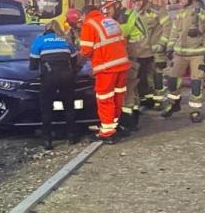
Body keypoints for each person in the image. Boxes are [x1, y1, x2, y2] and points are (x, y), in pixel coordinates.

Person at [159, 0, 205, 123]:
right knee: (172, 80)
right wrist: (170, 47)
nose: (179, 1)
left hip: (198, 53)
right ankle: (173, 104)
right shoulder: (181, 12)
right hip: (180, 54)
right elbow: (175, 31)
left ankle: (195, 110)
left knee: (196, 83)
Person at [79, 9, 130, 143]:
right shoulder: (111, 21)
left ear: (85, 15)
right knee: (117, 96)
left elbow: (86, 50)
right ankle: (114, 125)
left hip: (106, 67)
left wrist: (78, 61)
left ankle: (107, 132)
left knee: (104, 98)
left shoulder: (89, 25)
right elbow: (123, 41)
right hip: (122, 64)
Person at [29, 18, 80, 149]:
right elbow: (75, 62)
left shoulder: (40, 41)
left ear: (46, 30)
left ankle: (48, 140)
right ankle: (71, 136)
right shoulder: (66, 41)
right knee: (69, 106)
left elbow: (33, 66)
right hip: (66, 77)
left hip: (49, 78)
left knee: (46, 108)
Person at [102, 0, 145, 133]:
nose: (107, 10)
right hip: (117, 61)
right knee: (126, 91)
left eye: (109, 7)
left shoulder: (131, 16)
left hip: (130, 59)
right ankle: (128, 119)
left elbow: (141, 37)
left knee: (128, 91)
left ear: (117, 4)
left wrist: (125, 46)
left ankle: (129, 121)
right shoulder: (108, 19)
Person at [127, 0, 170, 110]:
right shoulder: (132, 13)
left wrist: (162, 43)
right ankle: (146, 99)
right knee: (142, 77)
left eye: (139, 0)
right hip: (140, 52)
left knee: (157, 75)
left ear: (145, 0)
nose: (137, 3)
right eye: (134, 1)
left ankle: (159, 100)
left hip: (156, 50)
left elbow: (168, 27)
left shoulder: (157, 11)